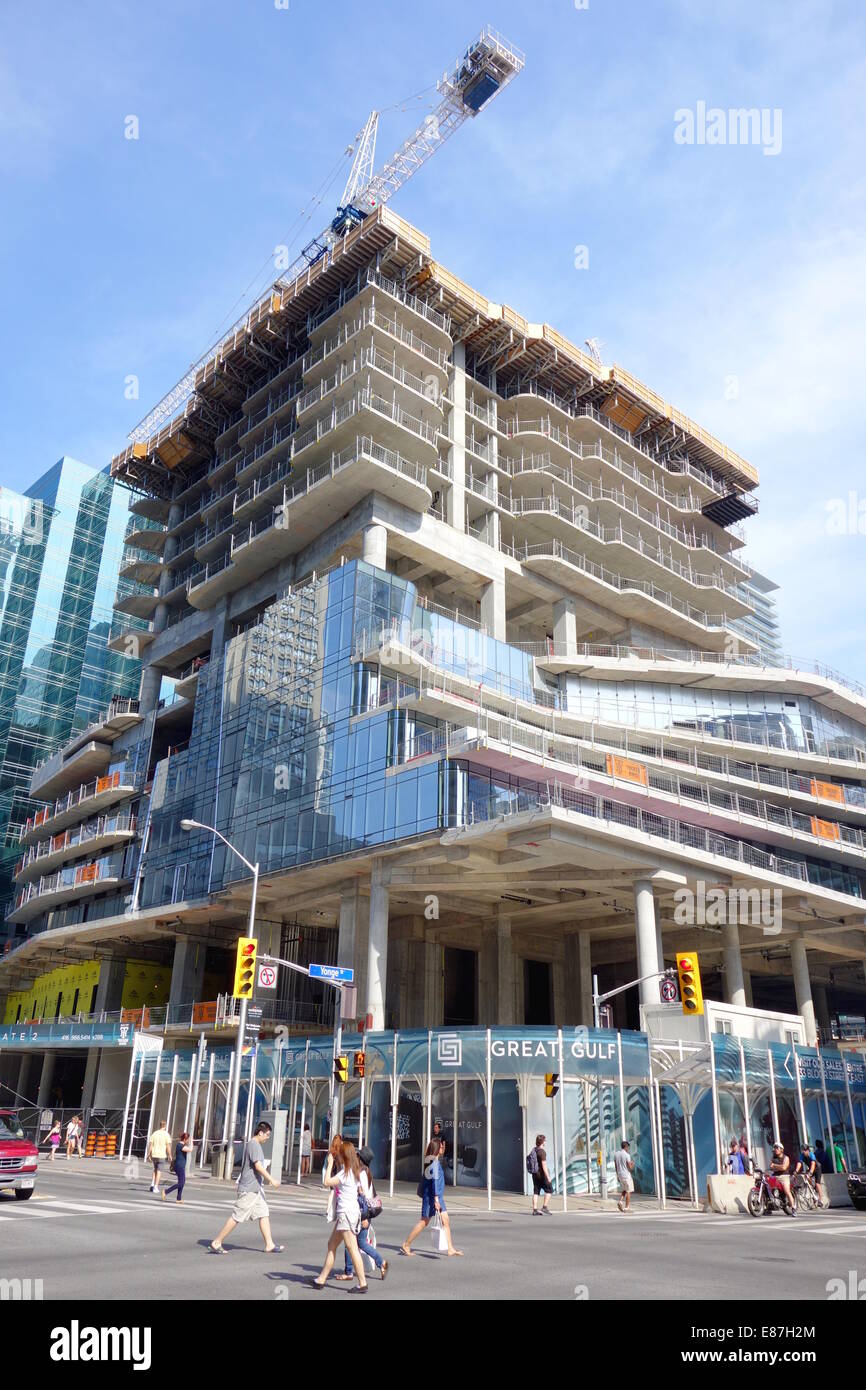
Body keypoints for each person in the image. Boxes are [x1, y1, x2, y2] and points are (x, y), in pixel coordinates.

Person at [210, 1119, 283, 1254]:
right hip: (249, 1189)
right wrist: (272, 1180)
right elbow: (258, 1166)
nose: (268, 1138)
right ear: (260, 1133)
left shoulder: (254, 1145)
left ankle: (269, 1244)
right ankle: (217, 1241)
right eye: (267, 1135)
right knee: (237, 1216)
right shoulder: (254, 1145)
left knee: (264, 1213)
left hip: (255, 1189)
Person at [309, 1139, 368, 1292]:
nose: (337, 1156)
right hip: (351, 1213)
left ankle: (362, 1283)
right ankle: (321, 1279)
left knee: (352, 1248)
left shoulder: (345, 1172)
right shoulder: (355, 1170)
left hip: (346, 1214)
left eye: (339, 1154)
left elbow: (326, 1182)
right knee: (332, 1244)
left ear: (344, 1156)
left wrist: (329, 1164)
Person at [401, 1138, 462, 1257]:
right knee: (424, 1221)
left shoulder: (430, 1161)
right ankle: (406, 1244)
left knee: (446, 1220)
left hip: (436, 1196)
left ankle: (450, 1248)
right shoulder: (433, 1163)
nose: (442, 1148)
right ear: (436, 1149)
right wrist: (436, 1199)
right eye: (440, 1147)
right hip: (432, 1197)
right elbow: (434, 1181)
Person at [336, 1148, 387, 1283]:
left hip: (362, 1213)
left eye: (357, 1156)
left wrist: (364, 1218)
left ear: (361, 1159)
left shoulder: (362, 1174)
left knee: (352, 1242)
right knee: (358, 1243)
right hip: (361, 1213)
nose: (355, 1157)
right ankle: (381, 1263)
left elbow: (364, 1197)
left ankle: (349, 1271)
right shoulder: (365, 1173)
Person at [163, 1132, 193, 1203]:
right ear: (185, 1139)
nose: (188, 1141)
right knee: (181, 1183)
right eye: (188, 1139)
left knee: (182, 1182)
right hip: (179, 1166)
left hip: (180, 1166)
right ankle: (166, 1192)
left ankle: (178, 1198)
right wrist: (192, 1142)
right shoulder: (180, 1145)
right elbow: (190, 1150)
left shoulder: (181, 1145)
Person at [795, 1140, 827, 1207]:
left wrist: (810, 1172)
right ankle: (813, 1187)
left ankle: (820, 1200)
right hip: (811, 1169)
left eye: (804, 1150)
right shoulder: (802, 1155)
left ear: (807, 1150)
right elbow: (799, 1163)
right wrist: (796, 1171)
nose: (803, 1152)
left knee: (817, 1184)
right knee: (807, 1177)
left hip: (817, 1169)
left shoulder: (811, 1155)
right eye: (802, 1150)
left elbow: (813, 1164)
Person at [528, 1133, 553, 1215]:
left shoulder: (534, 1150)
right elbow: (544, 1165)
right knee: (549, 1190)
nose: (545, 1142)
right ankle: (544, 1207)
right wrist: (548, 1176)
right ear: (542, 1142)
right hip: (541, 1174)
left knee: (536, 1191)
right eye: (545, 1141)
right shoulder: (542, 1152)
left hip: (534, 1174)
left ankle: (534, 1210)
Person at [146, 1119, 172, 1194]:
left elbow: (151, 1145)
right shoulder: (166, 1135)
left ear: (160, 1125)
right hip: (161, 1155)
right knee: (159, 1171)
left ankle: (152, 1184)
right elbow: (168, 1146)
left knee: (155, 1169)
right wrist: (170, 1155)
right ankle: (156, 1186)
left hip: (154, 1154)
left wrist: (149, 1154)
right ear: (165, 1126)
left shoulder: (154, 1133)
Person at [768, 1142, 795, 1214]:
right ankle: (767, 1206)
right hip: (775, 1176)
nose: (775, 1149)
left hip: (784, 1176)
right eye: (775, 1148)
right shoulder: (773, 1158)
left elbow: (784, 1167)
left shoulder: (786, 1158)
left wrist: (775, 1166)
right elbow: (770, 1167)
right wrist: (776, 1167)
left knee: (787, 1190)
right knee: (766, 1185)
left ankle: (793, 1208)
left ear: (781, 1150)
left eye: (777, 1148)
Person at [614, 1139, 635, 1212]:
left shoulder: (616, 1154)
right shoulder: (627, 1155)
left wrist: (617, 1175)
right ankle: (627, 1207)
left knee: (624, 1189)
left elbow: (616, 1166)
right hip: (626, 1175)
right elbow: (630, 1167)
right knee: (629, 1191)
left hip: (620, 1175)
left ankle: (620, 1201)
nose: (628, 1149)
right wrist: (632, 1163)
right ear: (626, 1147)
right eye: (628, 1148)